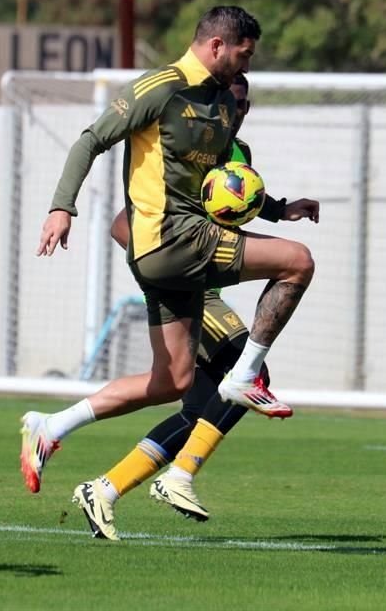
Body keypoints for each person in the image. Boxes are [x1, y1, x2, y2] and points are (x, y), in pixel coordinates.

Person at [23, 6, 315, 498]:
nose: (247, 67)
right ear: (217, 45)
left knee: (173, 380)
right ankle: (245, 375)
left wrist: (279, 209)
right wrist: (61, 208)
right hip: (171, 238)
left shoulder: (223, 103)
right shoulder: (159, 87)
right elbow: (91, 141)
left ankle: (50, 427)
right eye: (243, 55)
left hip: (170, 256)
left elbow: (225, 186)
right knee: (298, 262)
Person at [73, 73, 320, 539]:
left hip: (206, 289)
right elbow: (123, 225)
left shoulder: (238, 155)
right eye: (231, 100)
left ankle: (104, 489)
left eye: (245, 105)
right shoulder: (186, 151)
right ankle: (178, 476)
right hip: (189, 293)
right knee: (252, 377)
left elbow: (243, 200)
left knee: (199, 409)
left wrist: (282, 208)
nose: (237, 110)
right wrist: (166, 269)